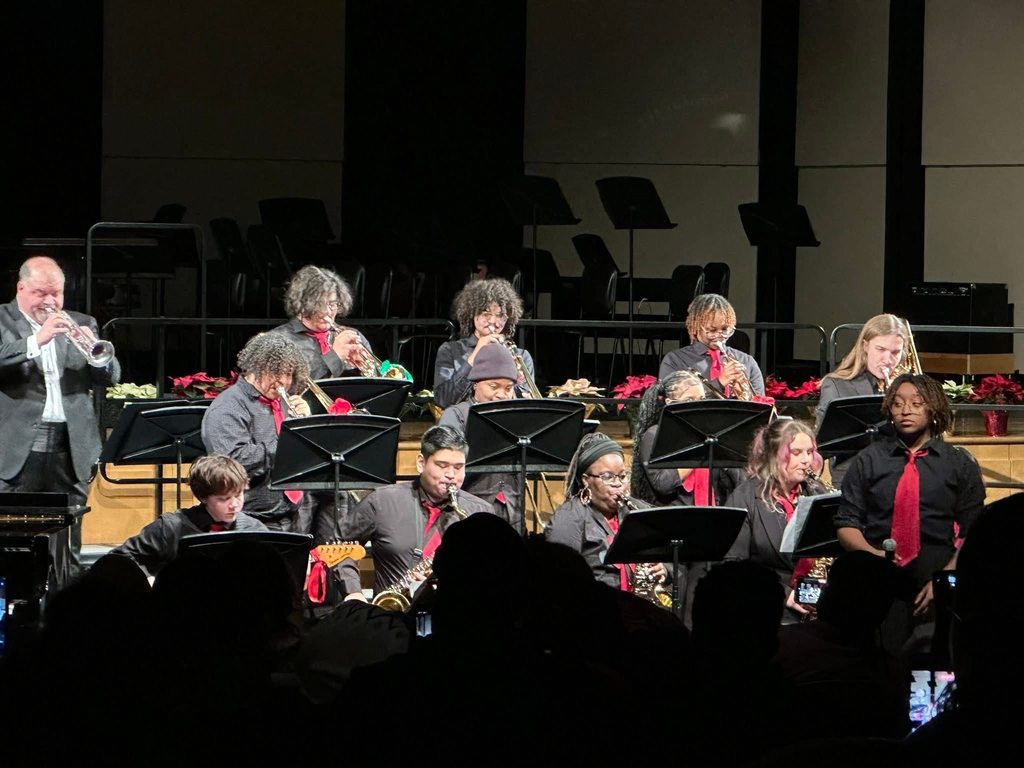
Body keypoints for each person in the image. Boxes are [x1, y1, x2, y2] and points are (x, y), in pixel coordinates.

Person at [0, 255, 121, 585]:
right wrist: (36, 340)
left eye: (57, 294)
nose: (51, 302)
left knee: (69, 541)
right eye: (41, 293)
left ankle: (65, 608)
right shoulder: (2, 318)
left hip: (71, 447)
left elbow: (111, 376)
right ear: (21, 288)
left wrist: (97, 360)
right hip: (16, 450)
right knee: (12, 536)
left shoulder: (82, 321)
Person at [835, 374, 985, 629]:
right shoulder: (869, 460)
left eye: (916, 403)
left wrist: (945, 577)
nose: (906, 410)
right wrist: (873, 557)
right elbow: (847, 521)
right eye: (898, 403)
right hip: (878, 580)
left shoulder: (957, 463)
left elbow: (975, 530)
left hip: (936, 577)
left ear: (933, 408)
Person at [338, 425, 494, 601]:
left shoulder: (480, 511)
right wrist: (353, 592)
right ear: (421, 463)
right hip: (392, 617)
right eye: (442, 465)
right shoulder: (383, 500)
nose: (451, 475)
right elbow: (338, 545)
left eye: (458, 467)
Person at [201, 332, 312, 531]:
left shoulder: (281, 404)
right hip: (251, 520)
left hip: (293, 513)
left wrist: (303, 425)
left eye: (288, 374)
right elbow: (234, 462)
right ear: (256, 367)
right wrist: (290, 443)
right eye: (276, 373)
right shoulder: (228, 407)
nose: (283, 382)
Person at [724, 419, 831, 623]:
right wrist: (785, 595)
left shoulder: (818, 493)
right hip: (765, 607)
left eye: (809, 452)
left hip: (817, 603)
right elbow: (733, 566)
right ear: (774, 455)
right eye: (797, 453)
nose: (806, 460)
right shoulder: (744, 497)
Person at [110, 454, 267, 576]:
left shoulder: (254, 529)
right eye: (224, 499)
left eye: (238, 495)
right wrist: (147, 578)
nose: (234, 504)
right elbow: (117, 559)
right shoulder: (171, 527)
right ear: (203, 497)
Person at [545, 432, 663, 591]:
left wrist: (664, 569)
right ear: (586, 480)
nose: (618, 484)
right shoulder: (568, 519)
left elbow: (666, 550)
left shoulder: (638, 510)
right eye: (608, 477)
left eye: (622, 476)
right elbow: (558, 579)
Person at [815, 313, 911, 486]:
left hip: (900, 475)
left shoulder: (906, 387)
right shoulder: (836, 384)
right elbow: (824, 444)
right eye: (880, 350)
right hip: (854, 479)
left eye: (895, 352)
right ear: (865, 346)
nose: (888, 360)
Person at [438, 342, 522, 529]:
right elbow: (446, 467)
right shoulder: (456, 415)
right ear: (476, 384)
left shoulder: (516, 416)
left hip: (513, 507)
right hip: (469, 509)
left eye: (508, 388)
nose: (502, 394)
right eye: (494, 386)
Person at [630, 370, 744, 507]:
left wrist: (725, 450)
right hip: (675, 515)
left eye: (701, 399)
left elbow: (740, 480)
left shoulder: (711, 435)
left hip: (713, 513)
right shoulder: (655, 434)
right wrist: (699, 449)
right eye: (689, 400)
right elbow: (663, 484)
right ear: (670, 403)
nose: (698, 406)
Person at [432, 277, 535, 408]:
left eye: (500, 315)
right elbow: (443, 400)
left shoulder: (521, 356)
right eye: (486, 313)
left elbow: (525, 403)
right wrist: (475, 354)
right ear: (472, 313)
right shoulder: (450, 350)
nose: (493, 321)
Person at [273, 264, 371, 380]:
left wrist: (366, 369)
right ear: (302, 304)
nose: (326, 311)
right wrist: (334, 356)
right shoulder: (279, 341)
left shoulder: (353, 336)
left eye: (332, 304)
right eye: (319, 304)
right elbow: (291, 386)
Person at [658, 293, 764, 398]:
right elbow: (671, 402)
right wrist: (719, 383)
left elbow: (761, 404)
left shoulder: (747, 361)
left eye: (725, 329)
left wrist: (745, 394)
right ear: (696, 327)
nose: (720, 335)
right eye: (712, 330)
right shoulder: (675, 360)